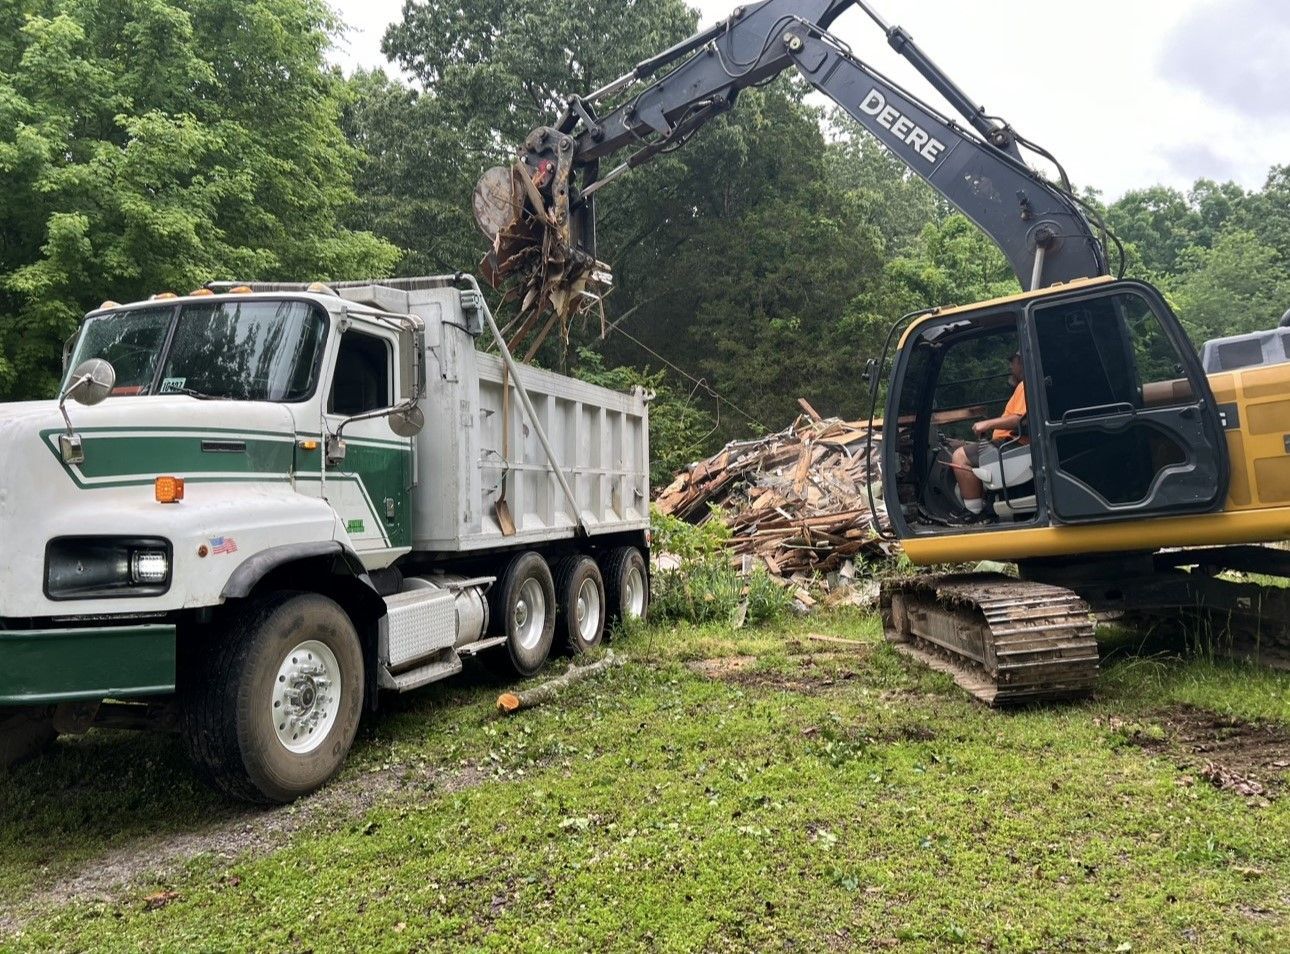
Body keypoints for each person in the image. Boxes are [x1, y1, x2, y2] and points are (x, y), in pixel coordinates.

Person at [950, 351, 1027, 519]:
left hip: (1015, 444)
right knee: (964, 450)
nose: (1010, 367)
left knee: (959, 456)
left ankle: (975, 514)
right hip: (1012, 442)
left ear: (1021, 362)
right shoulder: (1024, 386)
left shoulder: (1025, 385)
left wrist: (987, 423)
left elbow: (1020, 419)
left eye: (1012, 362)